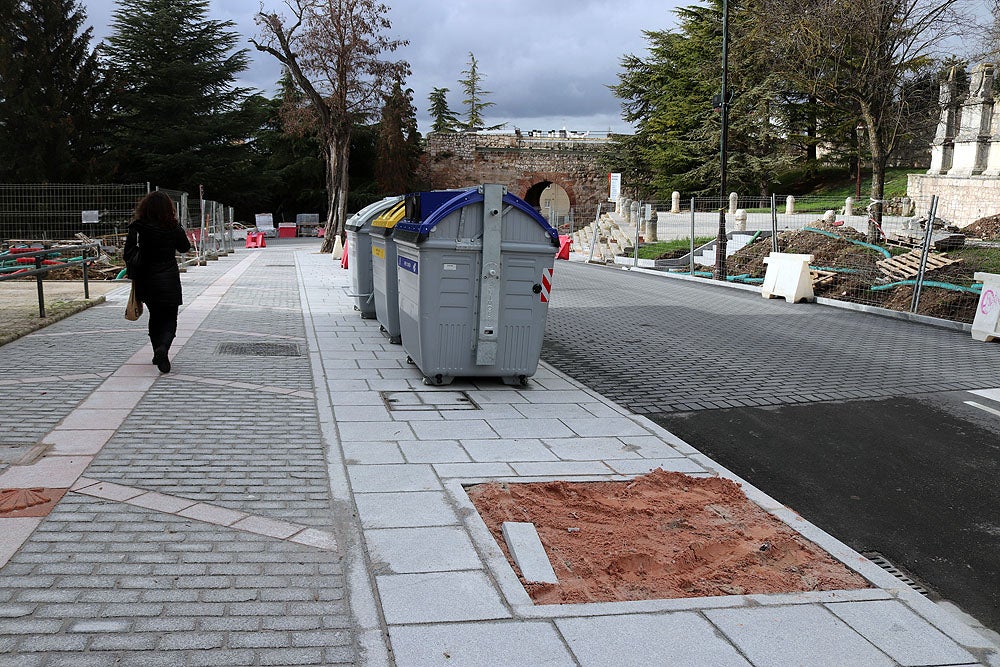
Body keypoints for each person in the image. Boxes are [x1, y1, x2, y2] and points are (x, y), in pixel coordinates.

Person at [123, 191, 191, 373]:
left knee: (155, 317)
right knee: (169, 318)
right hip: (169, 279)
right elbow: (185, 247)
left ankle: (156, 351)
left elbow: (127, 253)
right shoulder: (172, 226)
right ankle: (163, 349)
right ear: (169, 208)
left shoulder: (137, 227)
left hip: (146, 279)